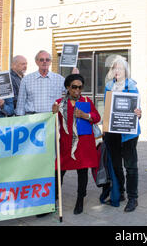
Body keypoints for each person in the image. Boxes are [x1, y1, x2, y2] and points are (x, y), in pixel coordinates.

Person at [52, 74, 101, 215]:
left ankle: (80, 199)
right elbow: (52, 121)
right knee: (58, 171)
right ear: (68, 87)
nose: (77, 90)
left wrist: (85, 115)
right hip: (66, 144)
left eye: (80, 87)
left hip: (84, 143)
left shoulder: (86, 101)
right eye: (74, 87)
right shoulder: (59, 102)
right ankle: (53, 199)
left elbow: (97, 117)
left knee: (82, 171)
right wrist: (52, 113)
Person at [103, 56, 142, 212]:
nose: (117, 71)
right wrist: (105, 129)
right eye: (114, 68)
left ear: (125, 70)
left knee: (130, 166)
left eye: (119, 68)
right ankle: (121, 192)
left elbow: (137, 111)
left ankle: (133, 198)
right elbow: (107, 110)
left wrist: (139, 113)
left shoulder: (132, 86)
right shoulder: (108, 86)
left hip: (128, 133)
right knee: (116, 165)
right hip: (112, 133)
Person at [16, 50, 65, 116]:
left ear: (50, 62)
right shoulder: (26, 80)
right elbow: (20, 104)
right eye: (41, 60)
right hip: (32, 120)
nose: (44, 62)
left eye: (47, 59)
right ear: (36, 62)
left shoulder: (60, 79)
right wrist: (20, 120)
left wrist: (74, 77)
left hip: (52, 118)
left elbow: (71, 96)